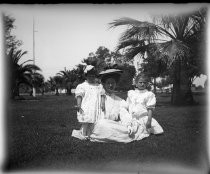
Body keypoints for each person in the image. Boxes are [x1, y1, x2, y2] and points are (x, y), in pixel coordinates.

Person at [90, 73, 163, 143]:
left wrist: (128, 125)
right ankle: (117, 133)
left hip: (112, 124)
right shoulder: (98, 96)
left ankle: (124, 132)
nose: (111, 85)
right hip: (99, 123)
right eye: (108, 83)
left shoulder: (119, 100)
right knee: (102, 123)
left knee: (121, 128)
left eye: (113, 83)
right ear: (104, 84)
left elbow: (124, 113)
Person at [71, 65, 106, 140]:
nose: (91, 77)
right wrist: (78, 105)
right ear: (86, 76)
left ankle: (91, 134)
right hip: (86, 106)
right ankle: (83, 133)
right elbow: (79, 96)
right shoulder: (82, 86)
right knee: (86, 120)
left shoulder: (99, 86)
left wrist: (102, 103)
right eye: (89, 76)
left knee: (94, 121)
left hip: (96, 106)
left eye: (93, 76)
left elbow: (102, 95)